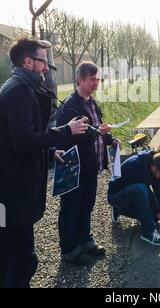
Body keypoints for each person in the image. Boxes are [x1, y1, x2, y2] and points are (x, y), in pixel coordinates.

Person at [0, 38, 89, 289]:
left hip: (8, 191)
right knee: (21, 260)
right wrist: (67, 131)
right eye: (42, 61)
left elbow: (12, 141)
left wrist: (50, 153)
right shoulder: (19, 90)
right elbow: (23, 141)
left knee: (7, 255)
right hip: (14, 194)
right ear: (28, 62)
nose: (47, 68)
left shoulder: (16, 86)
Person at [56, 62, 121, 266]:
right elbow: (67, 138)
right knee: (70, 208)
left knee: (87, 206)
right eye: (92, 80)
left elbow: (96, 128)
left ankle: (85, 241)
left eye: (98, 79)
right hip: (75, 169)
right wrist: (98, 132)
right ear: (80, 79)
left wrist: (109, 139)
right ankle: (69, 250)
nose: (96, 84)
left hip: (91, 167)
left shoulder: (93, 104)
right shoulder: (70, 106)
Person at [107, 150, 160, 246]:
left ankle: (118, 210)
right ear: (154, 168)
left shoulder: (153, 163)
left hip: (130, 194)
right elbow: (148, 193)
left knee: (154, 218)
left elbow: (158, 189)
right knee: (141, 189)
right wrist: (159, 213)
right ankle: (148, 233)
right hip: (116, 196)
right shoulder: (137, 166)